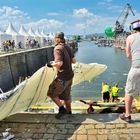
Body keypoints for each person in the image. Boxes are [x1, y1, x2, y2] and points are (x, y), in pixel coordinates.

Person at [47, 32, 76, 119]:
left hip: (62, 78)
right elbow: (74, 61)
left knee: (52, 93)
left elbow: (59, 63)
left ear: (57, 39)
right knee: (66, 97)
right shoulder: (67, 47)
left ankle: (62, 109)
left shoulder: (57, 48)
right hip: (70, 76)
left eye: (54, 38)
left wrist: (51, 64)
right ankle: (69, 112)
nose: (54, 39)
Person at [120, 20, 140, 122]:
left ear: (133, 29)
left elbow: (128, 55)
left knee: (129, 91)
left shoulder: (130, 37)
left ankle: (127, 115)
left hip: (136, 67)